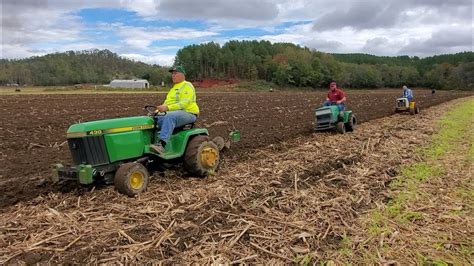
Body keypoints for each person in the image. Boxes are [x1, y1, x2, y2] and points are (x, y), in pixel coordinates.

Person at [149, 65, 199, 154]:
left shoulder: (187, 85)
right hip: (175, 113)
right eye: (172, 74)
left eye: (175, 73)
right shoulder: (173, 89)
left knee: (169, 116)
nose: (173, 75)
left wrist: (167, 108)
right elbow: (166, 103)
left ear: (182, 74)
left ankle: (161, 144)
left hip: (188, 113)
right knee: (150, 120)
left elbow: (184, 103)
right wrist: (156, 112)